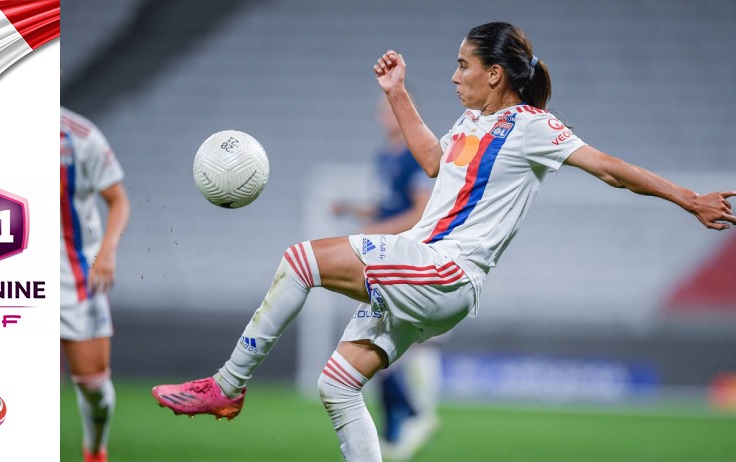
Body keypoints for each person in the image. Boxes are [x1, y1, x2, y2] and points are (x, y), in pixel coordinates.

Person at [152, 22, 735, 461]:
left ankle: (226, 386)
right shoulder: (469, 123)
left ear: (495, 74)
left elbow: (608, 168)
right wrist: (396, 92)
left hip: (445, 270)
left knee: (301, 260)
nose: (454, 77)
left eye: (462, 65)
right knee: (338, 385)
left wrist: (689, 199)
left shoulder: (533, 127)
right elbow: (433, 162)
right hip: (431, 273)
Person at [332, 95, 440, 461]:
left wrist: (375, 231)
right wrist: (352, 209)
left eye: (391, 108)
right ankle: (399, 425)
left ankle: (413, 414)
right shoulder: (383, 156)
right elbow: (385, 206)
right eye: (382, 108)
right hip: (385, 259)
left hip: (408, 260)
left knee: (382, 342)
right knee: (379, 343)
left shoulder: (416, 155)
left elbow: (420, 214)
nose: (385, 114)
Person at [61, 107, 130, 462]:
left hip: (75, 278)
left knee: (94, 387)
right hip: (10, 280)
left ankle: (95, 450)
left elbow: (118, 201)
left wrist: (107, 251)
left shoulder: (79, 136)